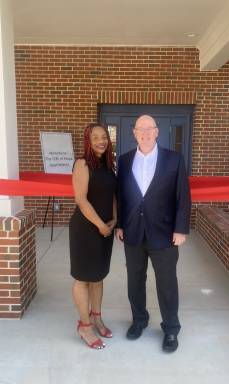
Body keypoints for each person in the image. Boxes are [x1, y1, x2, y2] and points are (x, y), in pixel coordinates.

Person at [116, 114, 191, 353]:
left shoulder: (174, 159)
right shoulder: (125, 160)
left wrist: (181, 229)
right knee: (135, 281)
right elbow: (122, 196)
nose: (145, 133)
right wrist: (119, 224)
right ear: (134, 133)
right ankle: (139, 321)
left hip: (166, 233)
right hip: (133, 233)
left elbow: (182, 197)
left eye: (150, 129)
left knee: (167, 283)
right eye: (141, 129)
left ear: (158, 132)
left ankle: (171, 328)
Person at [70, 123, 117, 349]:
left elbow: (113, 195)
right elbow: (81, 200)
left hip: (105, 228)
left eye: (104, 136)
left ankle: (97, 317)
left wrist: (115, 219)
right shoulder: (82, 164)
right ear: (88, 141)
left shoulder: (108, 166)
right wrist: (100, 225)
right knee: (83, 278)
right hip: (86, 229)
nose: (101, 140)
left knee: (98, 277)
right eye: (95, 137)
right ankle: (84, 325)